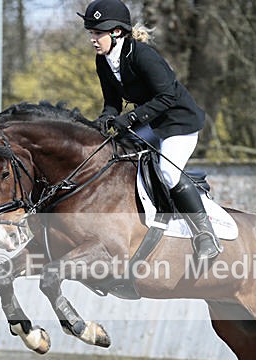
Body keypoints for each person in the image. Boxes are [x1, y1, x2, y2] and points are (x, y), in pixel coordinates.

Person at [78, 0, 222, 262]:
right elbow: (112, 101)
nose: (93, 39)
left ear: (117, 32)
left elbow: (167, 96)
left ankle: (205, 234)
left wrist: (131, 118)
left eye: (98, 33)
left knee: (168, 172)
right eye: (91, 33)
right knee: (114, 154)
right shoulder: (103, 60)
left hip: (178, 123)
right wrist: (106, 118)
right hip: (151, 122)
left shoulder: (142, 55)